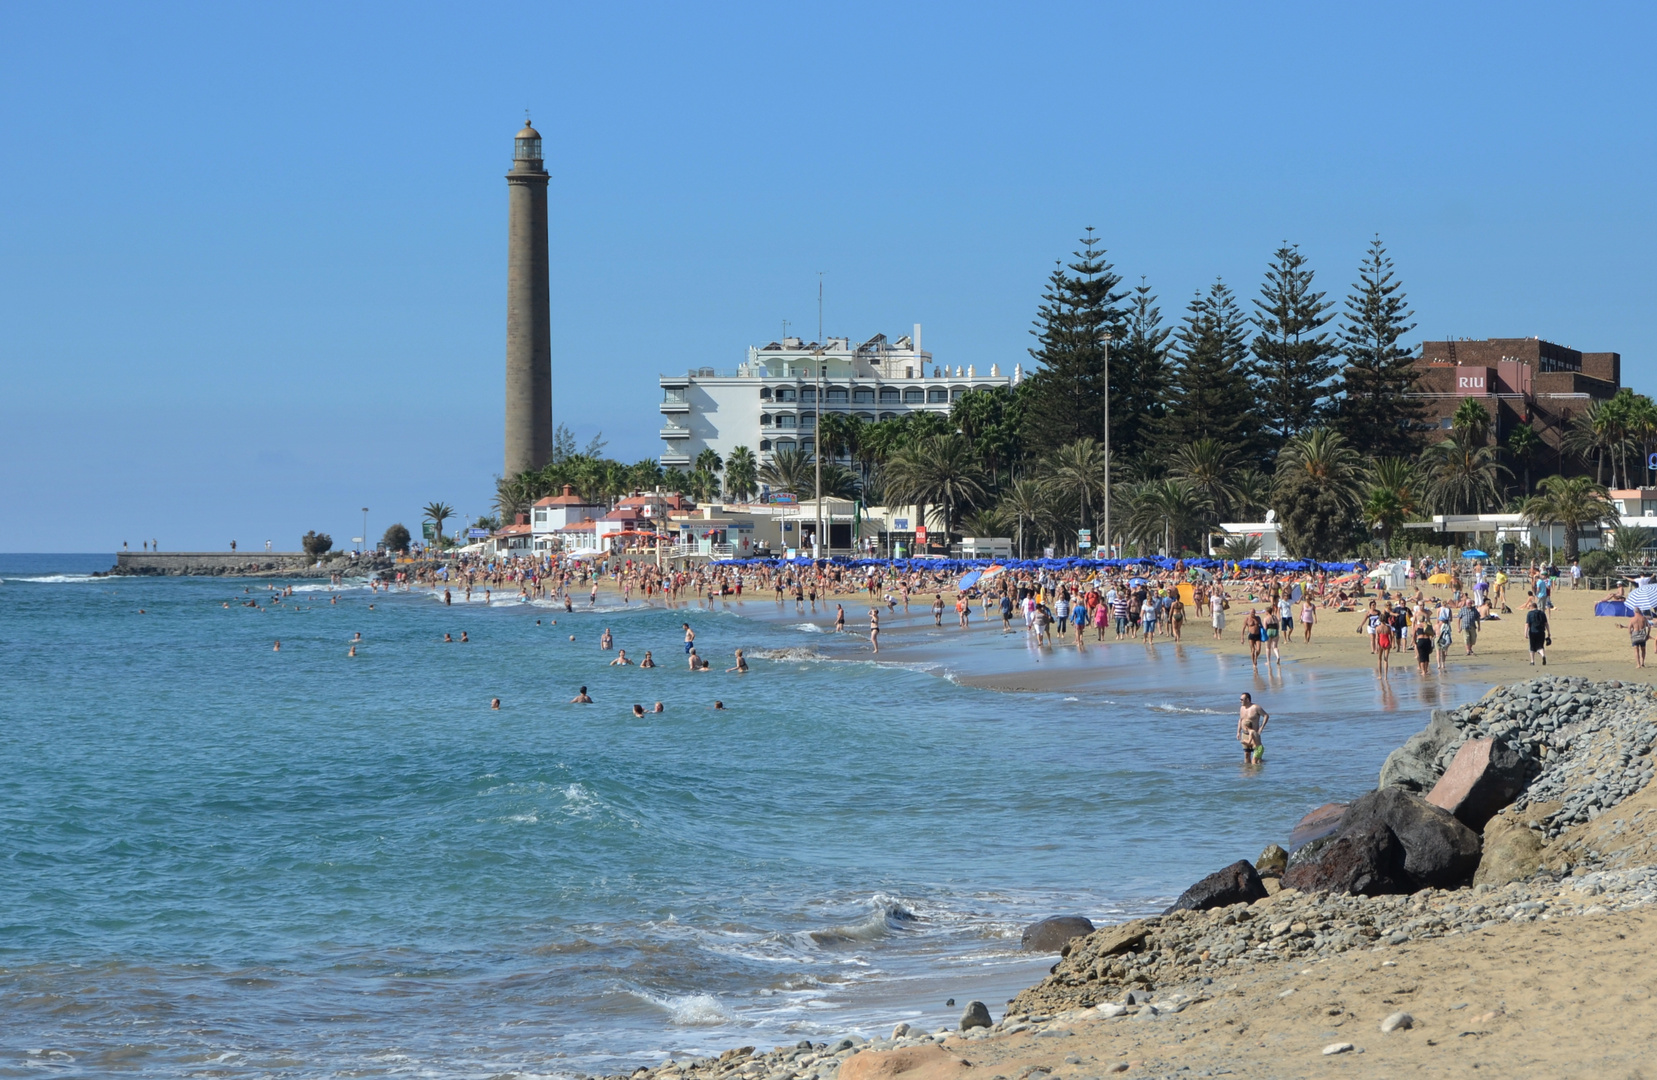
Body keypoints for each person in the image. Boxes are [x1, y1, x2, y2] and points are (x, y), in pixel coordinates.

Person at [1237, 693, 1268, 764]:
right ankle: (1248, 770)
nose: (1240, 701)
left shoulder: (1255, 707)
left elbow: (1266, 716)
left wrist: (1261, 728)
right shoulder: (1242, 708)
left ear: (1247, 700)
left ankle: (1258, 771)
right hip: (1245, 734)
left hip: (1254, 734)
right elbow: (1240, 720)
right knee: (1246, 754)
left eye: (1242, 699)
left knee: (1257, 755)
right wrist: (1238, 732)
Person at [1524, 599, 1550, 665]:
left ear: (1532, 607)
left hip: (1532, 632)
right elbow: (1546, 623)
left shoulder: (1529, 614)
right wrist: (1549, 632)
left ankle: (1532, 661)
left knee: (1532, 647)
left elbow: (1527, 624)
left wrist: (1525, 633)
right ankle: (1543, 655)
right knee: (1540, 646)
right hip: (1541, 632)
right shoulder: (1542, 613)